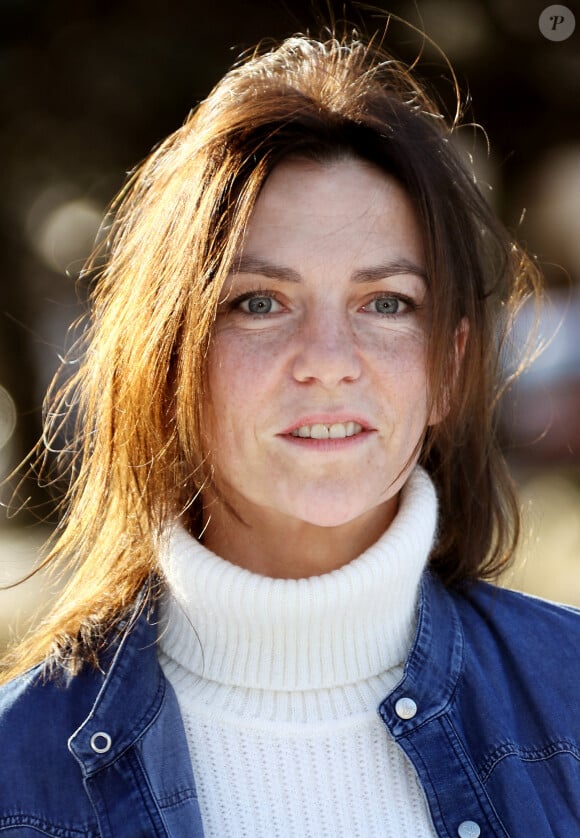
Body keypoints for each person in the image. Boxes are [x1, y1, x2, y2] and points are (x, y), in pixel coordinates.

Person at [0, 29, 578, 838]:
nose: (329, 363)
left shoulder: (569, 707)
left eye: (387, 304)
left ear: (449, 368)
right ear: (169, 360)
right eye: (259, 302)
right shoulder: (16, 773)